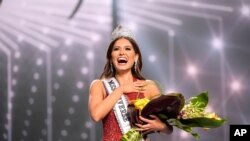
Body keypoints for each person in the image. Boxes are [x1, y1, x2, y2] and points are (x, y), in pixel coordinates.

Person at [88, 25, 173, 141]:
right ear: (111, 57)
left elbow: (169, 128)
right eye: (116, 49)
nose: (122, 53)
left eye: (127, 49)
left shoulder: (148, 87)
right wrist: (121, 90)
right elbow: (96, 115)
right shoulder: (99, 85)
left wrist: (161, 126)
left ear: (136, 57)